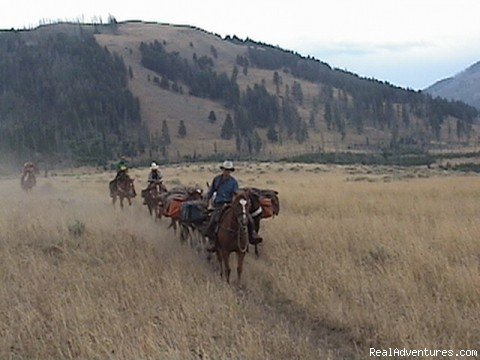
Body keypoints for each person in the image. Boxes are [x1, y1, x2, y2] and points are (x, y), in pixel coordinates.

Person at [204, 160, 261, 251]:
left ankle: (252, 235)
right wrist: (206, 200)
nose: (227, 172)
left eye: (229, 170)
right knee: (213, 219)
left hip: (230, 204)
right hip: (219, 204)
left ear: (230, 171)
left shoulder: (233, 182)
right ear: (222, 170)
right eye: (225, 170)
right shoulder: (216, 180)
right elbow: (211, 191)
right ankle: (212, 240)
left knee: (248, 218)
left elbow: (236, 193)